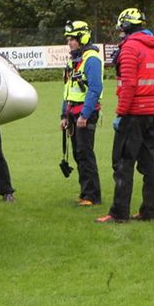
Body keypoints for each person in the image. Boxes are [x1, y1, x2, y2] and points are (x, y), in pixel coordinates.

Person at [97, 7, 154, 224]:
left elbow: (128, 84)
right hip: (153, 114)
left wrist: (121, 113)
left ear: (126, 26)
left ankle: (119, 213)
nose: (119, 32)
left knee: (122, 164)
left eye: (121, 28)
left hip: (133, 114)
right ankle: (149, 211)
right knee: (149, 166)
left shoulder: (129, 49)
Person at [60, 20, 104, 206]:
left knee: (85, 153)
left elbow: (95, 89)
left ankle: (92, 196)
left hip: (85, 114)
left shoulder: (91, 59)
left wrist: (84, 115)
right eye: (69, 39)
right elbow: (68, 90)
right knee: (79, 154)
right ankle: (86, 192)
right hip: (73, 113)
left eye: (72, 39)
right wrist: (63, 115)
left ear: (82, 38)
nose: (69, 42)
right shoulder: (74, 60)